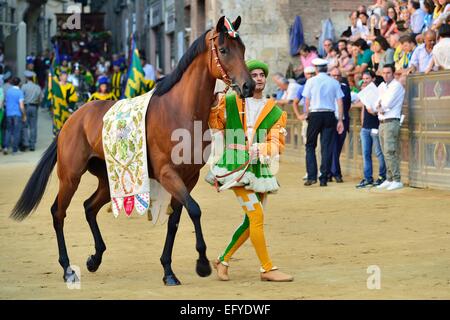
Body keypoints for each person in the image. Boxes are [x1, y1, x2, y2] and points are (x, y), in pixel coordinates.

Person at [206, 59, 293, 282]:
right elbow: (215, 123)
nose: (259, 78)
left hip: (259, 167)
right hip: (235, 165)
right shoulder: (232, 101)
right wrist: (215, 103)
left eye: (262, 75)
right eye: (254, 75)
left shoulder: (274, 111)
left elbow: (278, 142)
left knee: (251, 220)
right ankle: (267, 268)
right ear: (247, 78)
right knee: (256, 216)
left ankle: (223, 260)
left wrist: (262, 149)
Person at [302, 58, 344, 187]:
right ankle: (324, 177)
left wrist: (306, 114)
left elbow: (307, 100)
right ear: (327, 68)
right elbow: (340, 102)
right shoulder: (334, 82)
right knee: (326, 147)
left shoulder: (311, 81)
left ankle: (312, 176)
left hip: (315, 114)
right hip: (329, 114)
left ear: (315, 68)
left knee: (310, 145)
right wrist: (340, 120)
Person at [376, 64, 405, 191]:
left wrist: (381, 106)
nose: (386, 75)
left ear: (393, 74)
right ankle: (389, 178)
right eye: (384, 73)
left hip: (391, 121)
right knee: (385, 152)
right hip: (382, 122)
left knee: (390, 151)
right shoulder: (382, 86)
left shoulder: (396, 86)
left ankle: (397, 179)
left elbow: (387, 103)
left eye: (388, 72)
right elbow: (375, 102)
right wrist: (380, 106)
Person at [355, 70, 386, 188]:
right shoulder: (365, 92)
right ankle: (368, 178)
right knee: (366, 153)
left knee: (379, 153)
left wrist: (372, 111)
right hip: (366, 127)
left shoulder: (378, 92)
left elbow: (379, 110)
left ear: (373, 79)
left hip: (376, 126)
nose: (365, 81)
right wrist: (363, 123)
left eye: (367, 78)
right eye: (364, 79)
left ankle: (382, 176)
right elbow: (363, 108)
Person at [328, 67, 352, 183]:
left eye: (338, 75)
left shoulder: (345, 88)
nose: (336, 78)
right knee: (333, 147)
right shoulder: (326, 88)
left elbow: (347, 105)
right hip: (330, 121)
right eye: (333, 75)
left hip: (342, 120)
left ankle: (329, 172)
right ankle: (336, 173)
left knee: (337, 147)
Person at [48, 70, 78, 135]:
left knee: (67, 129)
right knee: (57, 128)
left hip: (66, 110)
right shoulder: (56, 86)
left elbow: (73, 98)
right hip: (57, 110)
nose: (65, 77)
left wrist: (70, 107)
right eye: (64, 75)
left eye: (66, 75)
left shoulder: (70, 86)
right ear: (60, 77)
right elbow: (50, 94)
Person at [3, 77, 26, 155]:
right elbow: (21, 105)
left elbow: (5, 102)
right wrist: (24, 115)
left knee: (8, 130)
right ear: (19, 83)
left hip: (9, 113)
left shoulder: (8, 91)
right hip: (17, 114)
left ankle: (5, 147)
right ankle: (15, 150)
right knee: (16, 132)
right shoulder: (20, 92)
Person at [21, 70, 43, 152]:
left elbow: (21, 98)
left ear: (27, 78)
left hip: (26, 107)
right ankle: (32, 145)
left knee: (25, 126)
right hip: (34, 107)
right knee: (33, 127)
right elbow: (41, 98)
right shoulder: (37, 87)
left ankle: (25, 143)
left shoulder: (24, 87)